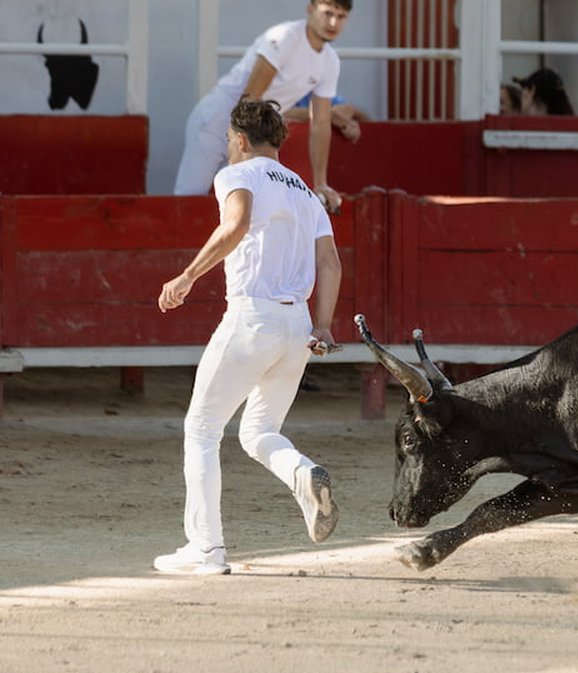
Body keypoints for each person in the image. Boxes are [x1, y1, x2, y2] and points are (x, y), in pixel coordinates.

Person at [154, 98, 343, 575]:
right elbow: (330, 263)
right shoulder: (305, 192)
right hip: (297, 324)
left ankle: (207, 548)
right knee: (259, 431)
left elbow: (235, 225)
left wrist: (188, 275)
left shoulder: (236, 175)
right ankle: (302, 473)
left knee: (201, 428)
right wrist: (322, 325)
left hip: (252, 316)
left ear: (239, 139)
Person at [174, 0, 351, 215]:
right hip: (216, 121)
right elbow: (250, 97)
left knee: (240, 208)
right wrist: (240, 151)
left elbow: (321, 123)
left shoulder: (330, 61)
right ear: (310, 9)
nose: (333, 22)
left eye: (341, 16)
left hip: (251, 133)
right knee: (188, 201)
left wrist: (321, 183)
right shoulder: (286, 37)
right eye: (328, 13)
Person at [284, 92, 369, 144]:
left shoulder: (321, 92)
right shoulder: (280, 87)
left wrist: (353, 111)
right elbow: (277, 112)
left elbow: (368, 121)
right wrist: (328, 115)